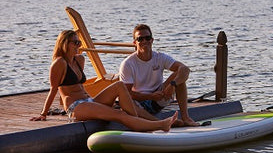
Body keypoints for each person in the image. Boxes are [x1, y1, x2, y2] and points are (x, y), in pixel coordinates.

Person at [30, 30, 178, 132]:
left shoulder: (79, 60)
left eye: (79, 42)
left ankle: (143, 124)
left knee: (120, 86)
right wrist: (43, 113)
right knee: (119, 114)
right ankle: (155, 125)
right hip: (76, 107)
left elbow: (80, 86)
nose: (78, 46)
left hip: (90, 100)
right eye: (75, 43)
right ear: (64, 43)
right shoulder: (59, 63)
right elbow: (53, 89)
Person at [119, 24, 200, 127]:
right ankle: (160, 123)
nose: (144, 41)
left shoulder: (160, 57)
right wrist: (150, 96)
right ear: (135, 43)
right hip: (139, 102)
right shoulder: (127, 64)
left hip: (159, 96)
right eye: (140, 39)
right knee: (126, 103)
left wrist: (172, 85)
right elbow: (127, 94)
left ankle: (186, 118)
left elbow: (185, 69)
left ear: (152, 40)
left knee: (179, 75)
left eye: (147, 38)